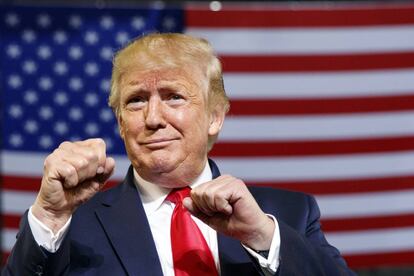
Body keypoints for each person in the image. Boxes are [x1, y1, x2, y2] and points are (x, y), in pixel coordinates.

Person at [2, 33, 355, 276]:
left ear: (215, 116)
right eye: (136, 100)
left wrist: (263, 237)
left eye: (174, 96)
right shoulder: (69, 226)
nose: (153, 119)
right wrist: (49, 214)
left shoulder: (287, 215)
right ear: (120, 123)